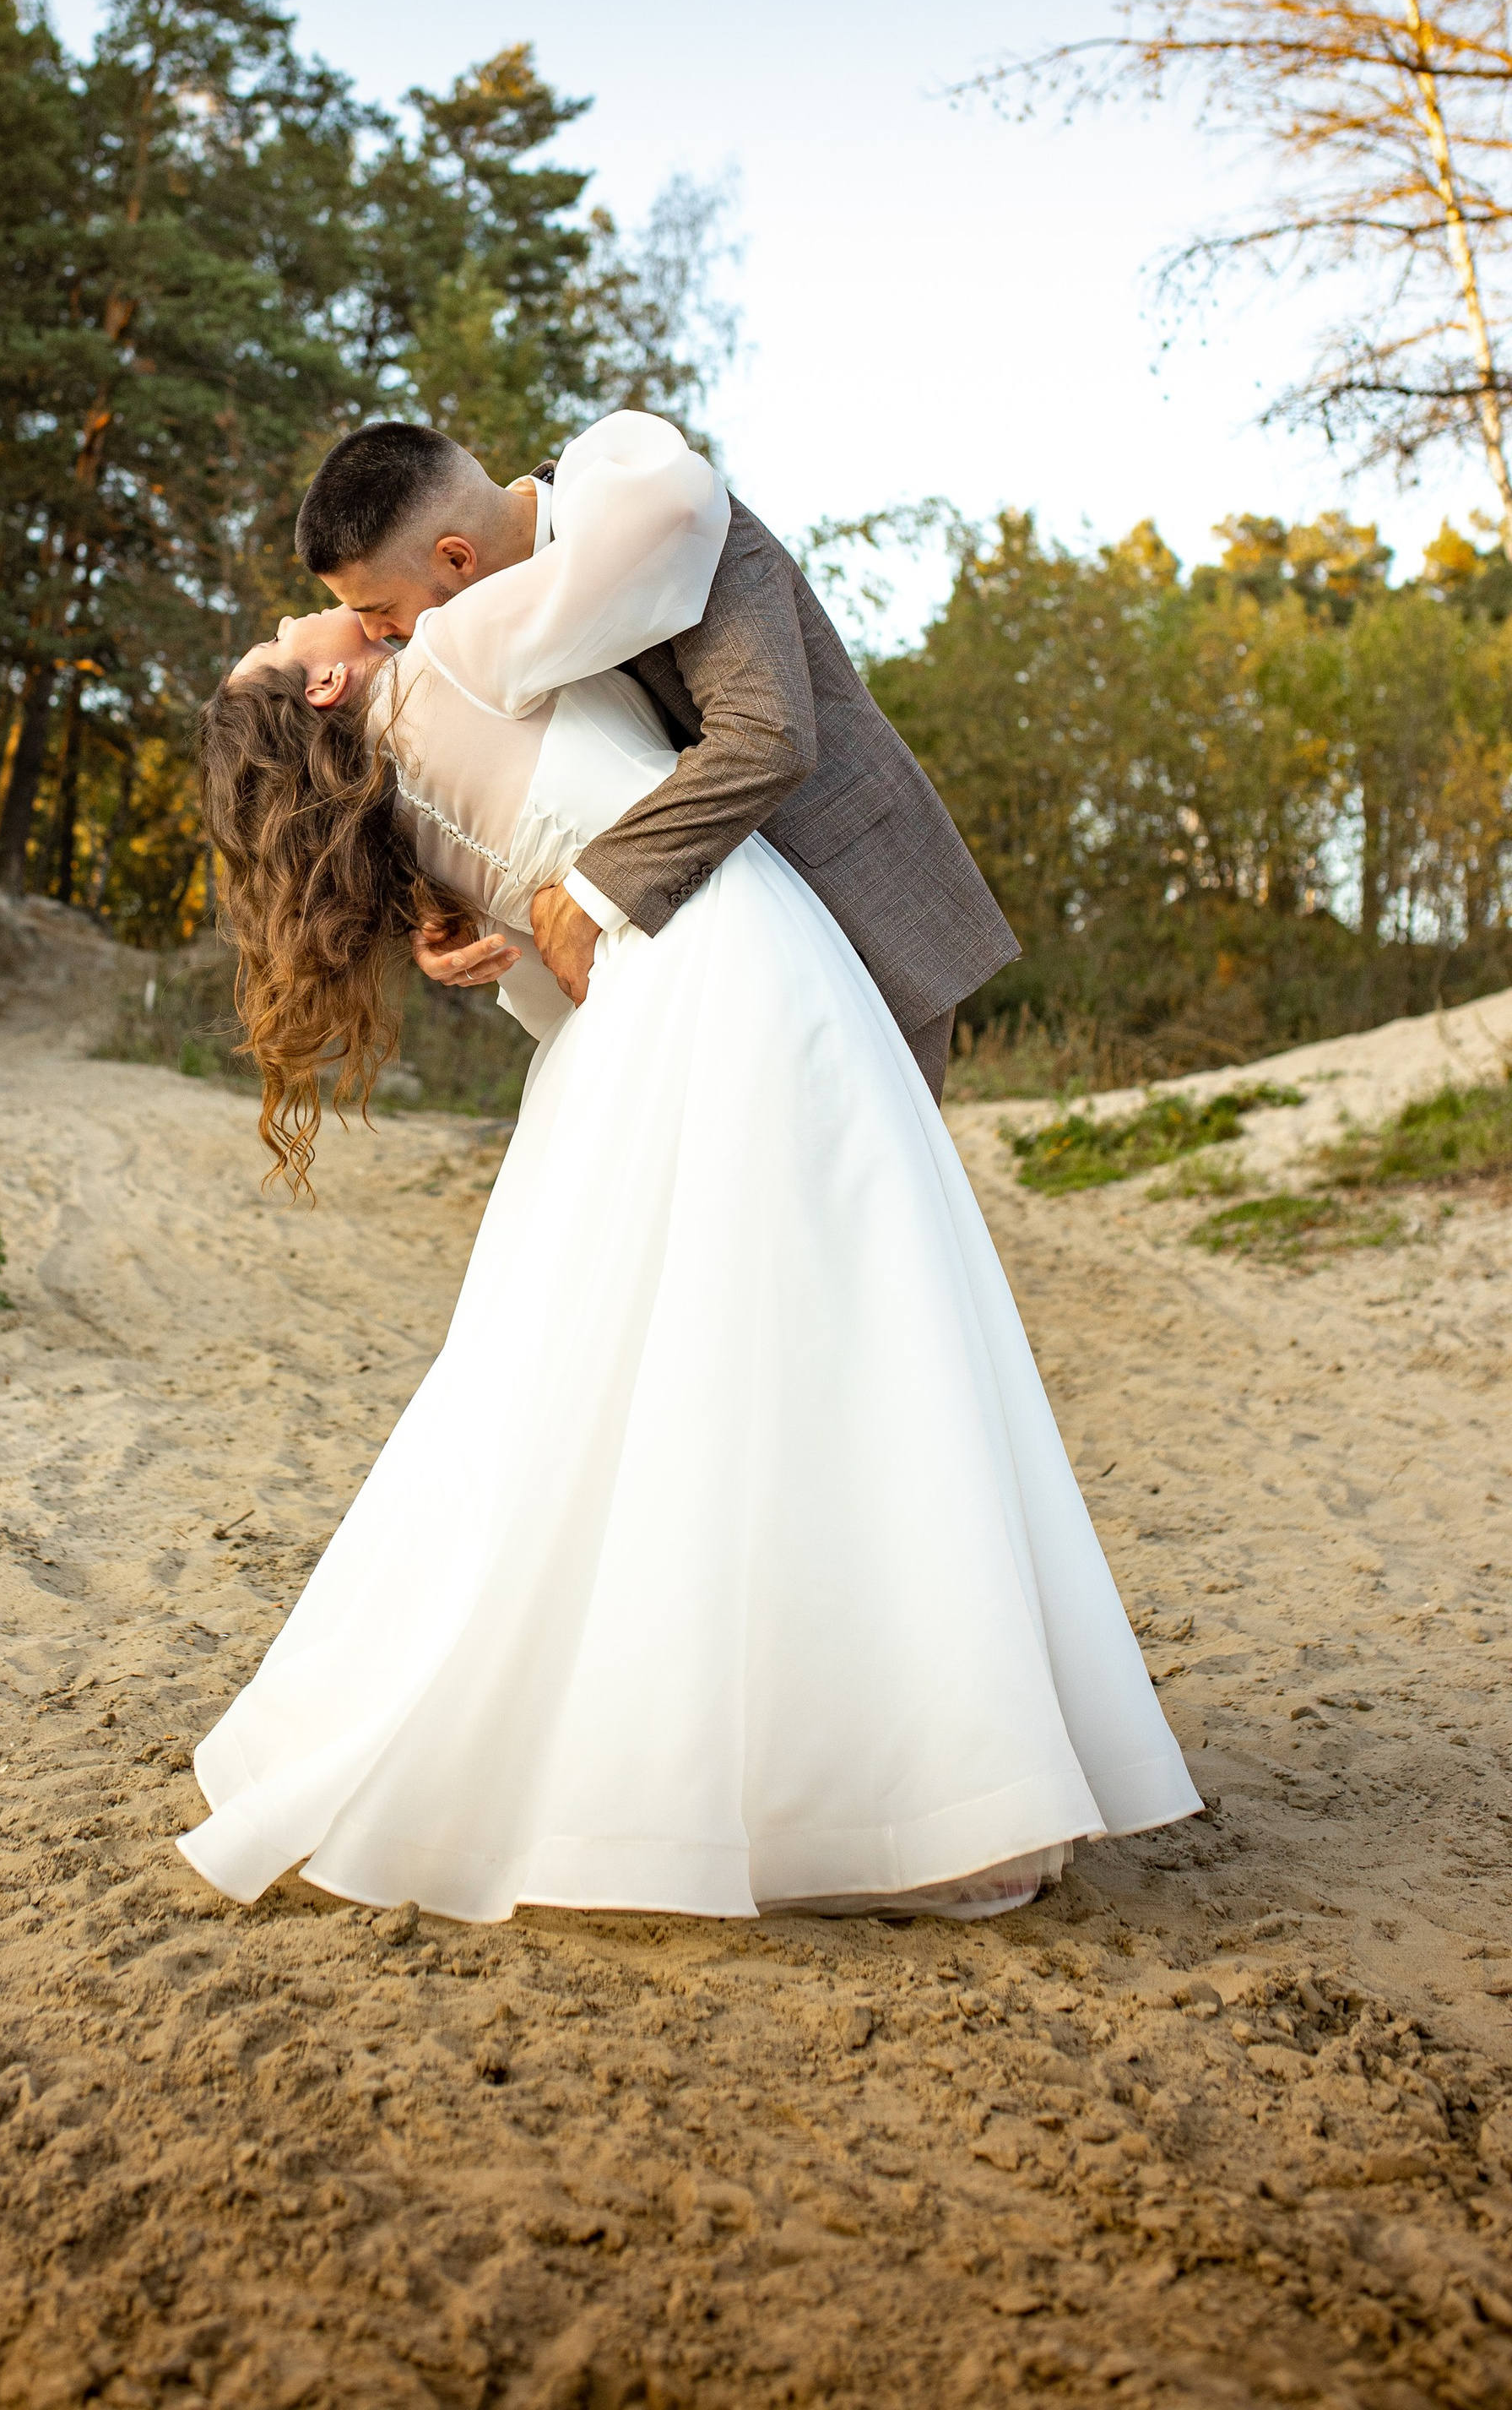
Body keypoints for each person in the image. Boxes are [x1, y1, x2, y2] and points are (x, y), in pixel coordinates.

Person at [180, 410, 1196, 1927]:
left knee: (698, 1373)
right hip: (731, 965)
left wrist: (527, 903)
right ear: (330, 680)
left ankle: (787, 1758)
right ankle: (886, 1770)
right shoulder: (455, 652)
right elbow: (565, 817)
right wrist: (530, 903)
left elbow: (733, 729)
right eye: (321, 630)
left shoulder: (586, 551)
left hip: (732, 958)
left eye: (367, 605)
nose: (355, 626)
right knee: (837, 1354)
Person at [291, 416, 1021, 1099]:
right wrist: (445, 915)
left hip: (849, 897)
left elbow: (765, 736)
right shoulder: (483, 640)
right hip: (688, 964)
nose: (380, 635)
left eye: (379, 609)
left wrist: (589, 893)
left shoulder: (664, 513)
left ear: (456, 556)